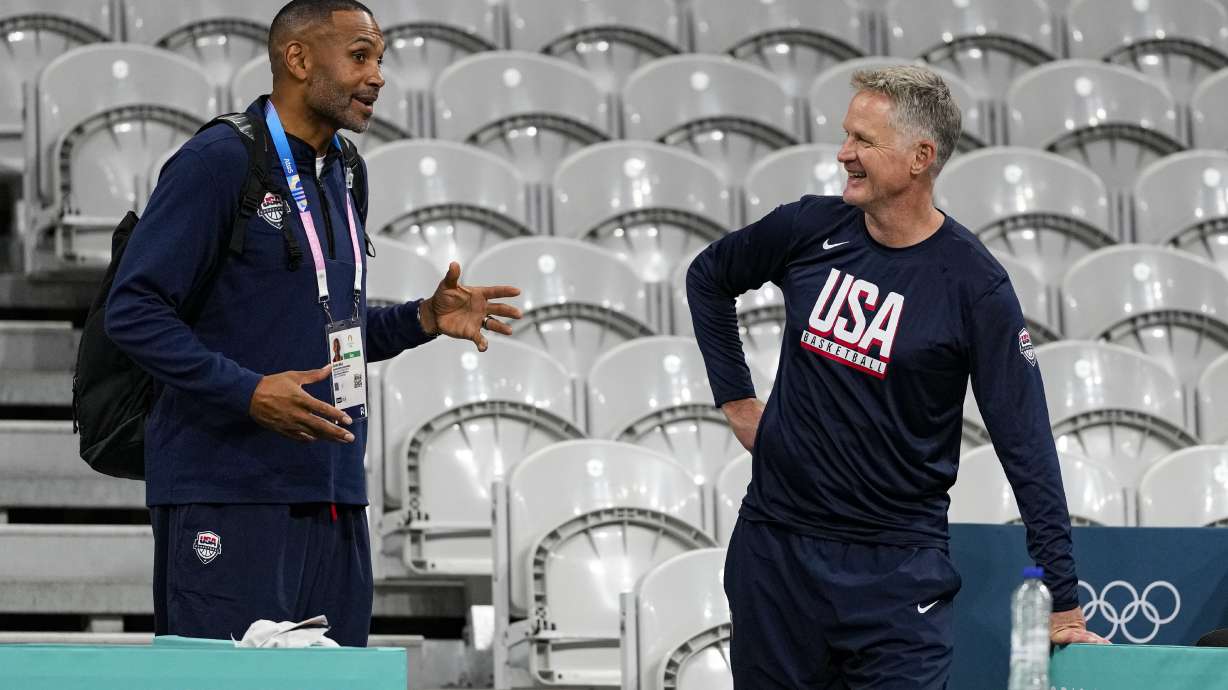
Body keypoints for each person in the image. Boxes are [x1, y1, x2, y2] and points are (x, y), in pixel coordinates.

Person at [104, 0, 521, 646]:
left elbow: (333, 331)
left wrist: (420, 318)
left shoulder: (346, 172)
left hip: (334, 494)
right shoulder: (218, 162)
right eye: (360, 56)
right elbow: (131, 310)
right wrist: (250, 392)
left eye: (380, 58)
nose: (378, 75)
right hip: (229, 490)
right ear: (297, 59)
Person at [686, 65, 1108, 688]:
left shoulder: (976, 286)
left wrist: (1064, 597)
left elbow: (1026, 444)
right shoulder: (806, 227)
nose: (843, 153)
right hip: (777, 551)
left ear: (920, 157)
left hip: (898, 572)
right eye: (846, 135)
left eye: (863, 140)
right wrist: (739, 403)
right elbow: (708, 278)